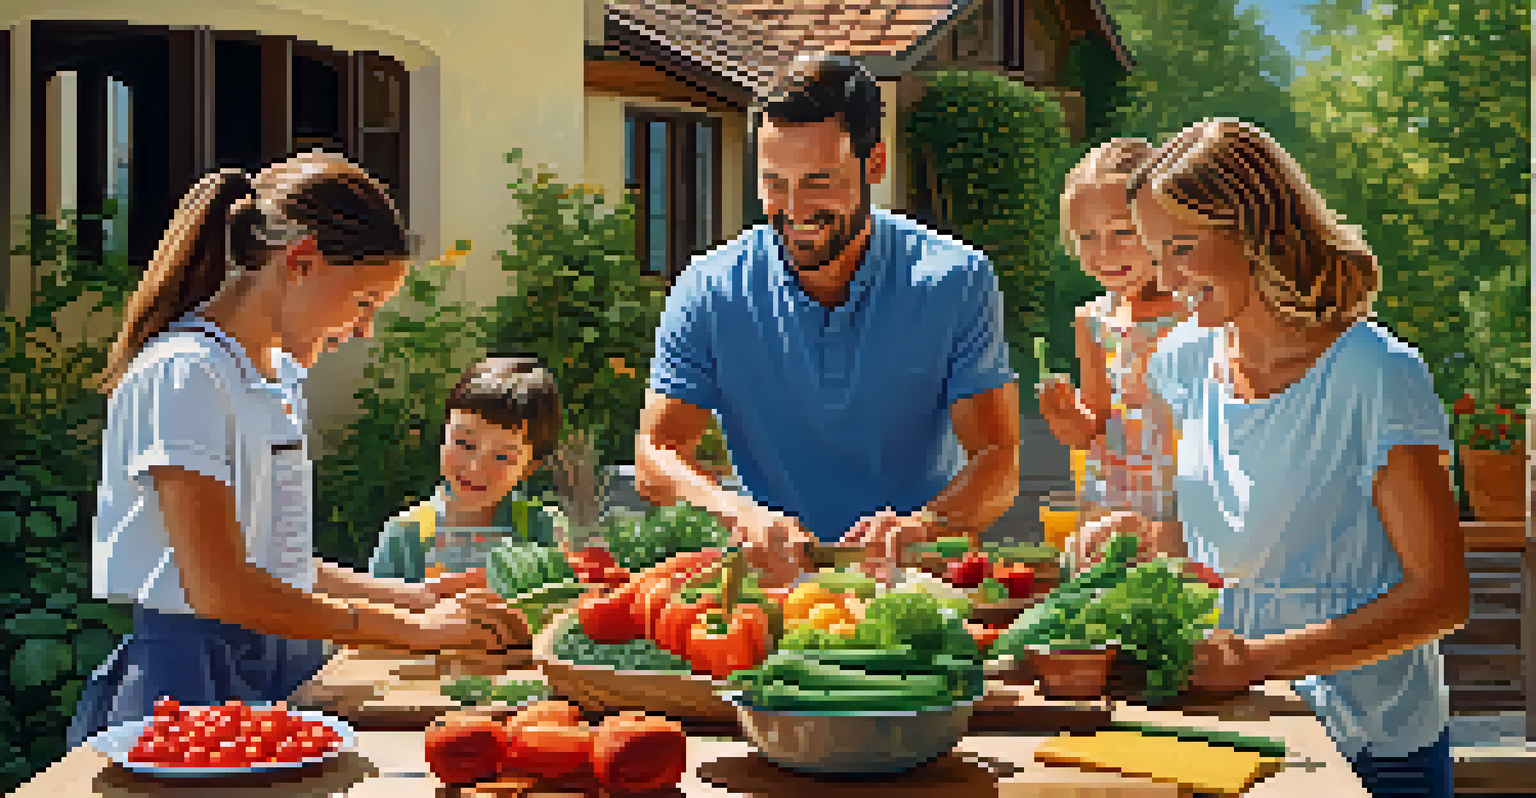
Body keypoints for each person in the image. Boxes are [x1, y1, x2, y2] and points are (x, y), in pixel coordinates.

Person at [68, 152, 526, 750]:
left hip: (279, 659)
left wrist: (411, 596)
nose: (364, 331)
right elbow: (221, 588)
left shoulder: (274, 376)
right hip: (189, 681)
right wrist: (414, 631)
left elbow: (273, 568)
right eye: (364, 302)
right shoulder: (186, 373)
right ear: (301, 261)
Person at [1076, 119, 1465, 796]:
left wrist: (1259, 659)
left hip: (1374, 749)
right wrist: (1139, 540)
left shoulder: (1376, 374)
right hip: (1238, 728)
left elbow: (1440, 597)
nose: (1163, 278)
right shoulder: (1182, 365)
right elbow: (1201, 542)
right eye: (1154, 252)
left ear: (1255, 231)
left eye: (1182, 248)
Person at [635, 53, 1021, 588]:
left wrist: (927, 526)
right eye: (774, 182)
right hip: (769, 586)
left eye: (819, 182)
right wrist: (739, 513)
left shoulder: (956, 279)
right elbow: (656, 454)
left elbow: (997, 458)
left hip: (915, 586)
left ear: (875, 163)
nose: (794, 209)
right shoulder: (708, 287)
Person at [1039, 138, 1187, 534]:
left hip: (1182, 518)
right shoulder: (1092, 321)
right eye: (1086, 237)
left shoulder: (1197, 314)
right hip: (1107, 511)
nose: (1104, 251)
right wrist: (1066, 418)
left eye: (1123, 232)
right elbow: (1094, 430)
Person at [370, 356, 562, 583]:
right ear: (444, 434)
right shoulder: (404, 536)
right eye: (464, 443)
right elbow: (376, 613)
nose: (476, 467)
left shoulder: (543, 530)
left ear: (529, 467)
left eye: (502, 456)